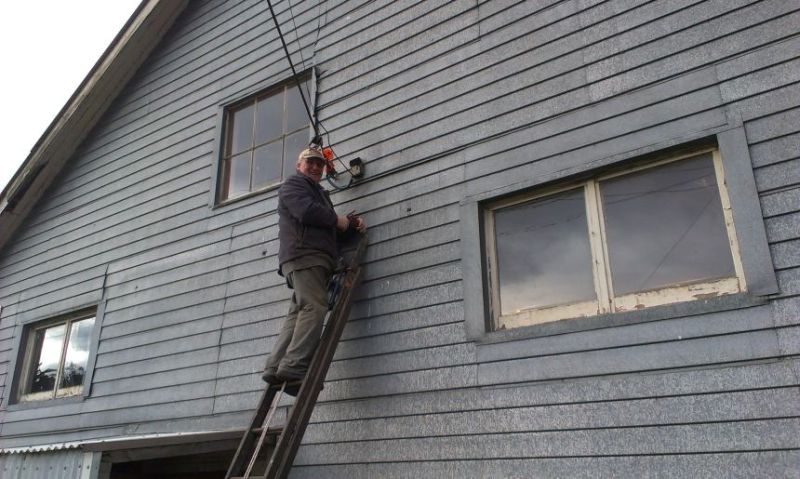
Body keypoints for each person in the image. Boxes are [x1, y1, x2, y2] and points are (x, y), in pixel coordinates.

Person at [262, 146, 366, 386]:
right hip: (305, 257)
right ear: (299, 166)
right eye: (310, 163)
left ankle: (276, 366)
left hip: (307, 259)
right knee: (315, 307)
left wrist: (350, 225)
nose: (316, 167)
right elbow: (306, 211)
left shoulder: (318, 194)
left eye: (319, 164)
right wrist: (337, 219)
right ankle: (294, 366)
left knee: (299, 311)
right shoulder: (294, 185)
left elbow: (326, 228)